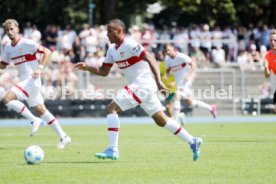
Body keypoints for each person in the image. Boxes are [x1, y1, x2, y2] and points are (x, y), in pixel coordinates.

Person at [75, 19, 202, 161]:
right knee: (162, 120)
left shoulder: (130, 44)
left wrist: (159, 82)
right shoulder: (111, 49)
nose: (107, 35)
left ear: (119, 31)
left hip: (143, 84)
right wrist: (87, 67)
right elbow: (104, 71)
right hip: (141, 87)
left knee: (112, 109)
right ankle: (193, 141)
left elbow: (150, 58)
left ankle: (113, 149)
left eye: (110, 31)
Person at [0, 19, 71, 149]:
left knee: (6, 99)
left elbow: (48, 52)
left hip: (32, 80)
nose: (10, 32)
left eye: (12, 29)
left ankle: (33, 120)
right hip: (25, 82)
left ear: (17, 29)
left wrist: (40, 68)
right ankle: (64, 137)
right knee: (41, 110)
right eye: (7, 30)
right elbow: (3, 65)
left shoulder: (27, 43)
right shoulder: (8, 47)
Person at [163, 44, 217, 119]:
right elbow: (168, 70)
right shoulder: (167, 60)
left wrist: (188, 75)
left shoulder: (181, 56)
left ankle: (175, 120)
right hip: (178, 83)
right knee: (189, 102)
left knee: (177, 96)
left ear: (173, 49)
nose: (168, 52)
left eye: (169, 50)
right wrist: (167, 77)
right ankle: (211, 108)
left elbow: (193, 65)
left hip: (186, 82)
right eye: (166, 51)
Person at [263, 29, 276, 113]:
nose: (273, 42)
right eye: (271, 40)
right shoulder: (267, 56)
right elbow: (267, 75)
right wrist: (265, 68)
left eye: (275, 40)